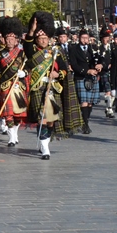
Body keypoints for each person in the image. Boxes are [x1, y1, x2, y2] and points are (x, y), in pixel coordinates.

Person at [24, 12, 81, 159]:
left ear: (49, 38)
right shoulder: (32, 51)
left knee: (51, 120)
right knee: (41, 118)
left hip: (53, 88)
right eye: (40, 38)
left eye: (45, 38)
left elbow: (64, 69)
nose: (43, 40)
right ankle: (45, 149)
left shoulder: (56, 51)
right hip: (38, 88)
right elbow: (27, 44)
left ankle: (45, 142)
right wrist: (32, 30)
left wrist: (57, 74)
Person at [0, 16, 28, 147]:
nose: (9, 41)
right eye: (7, 38)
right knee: (8, 114)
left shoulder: (22, 53)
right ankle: (11, 137)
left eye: (12, 39)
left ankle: (15, 132)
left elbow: (28, 67)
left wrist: (25, 73)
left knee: (18, 115)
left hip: (19, 86)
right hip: (5, 86)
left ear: (17, 40)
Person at [68, 28, 101, 134]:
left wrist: (100, 65)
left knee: (90, 103)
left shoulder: (94, 48)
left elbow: (101, 59)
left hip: (92, 78)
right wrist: (87, 71)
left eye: (87, 38)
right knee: (84, 102)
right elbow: (74, 64)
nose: (85, 40)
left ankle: (85, 121)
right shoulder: (73, 49)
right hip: (81, 77)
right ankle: (85, 124)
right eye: (83, 38)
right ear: (79, 38)